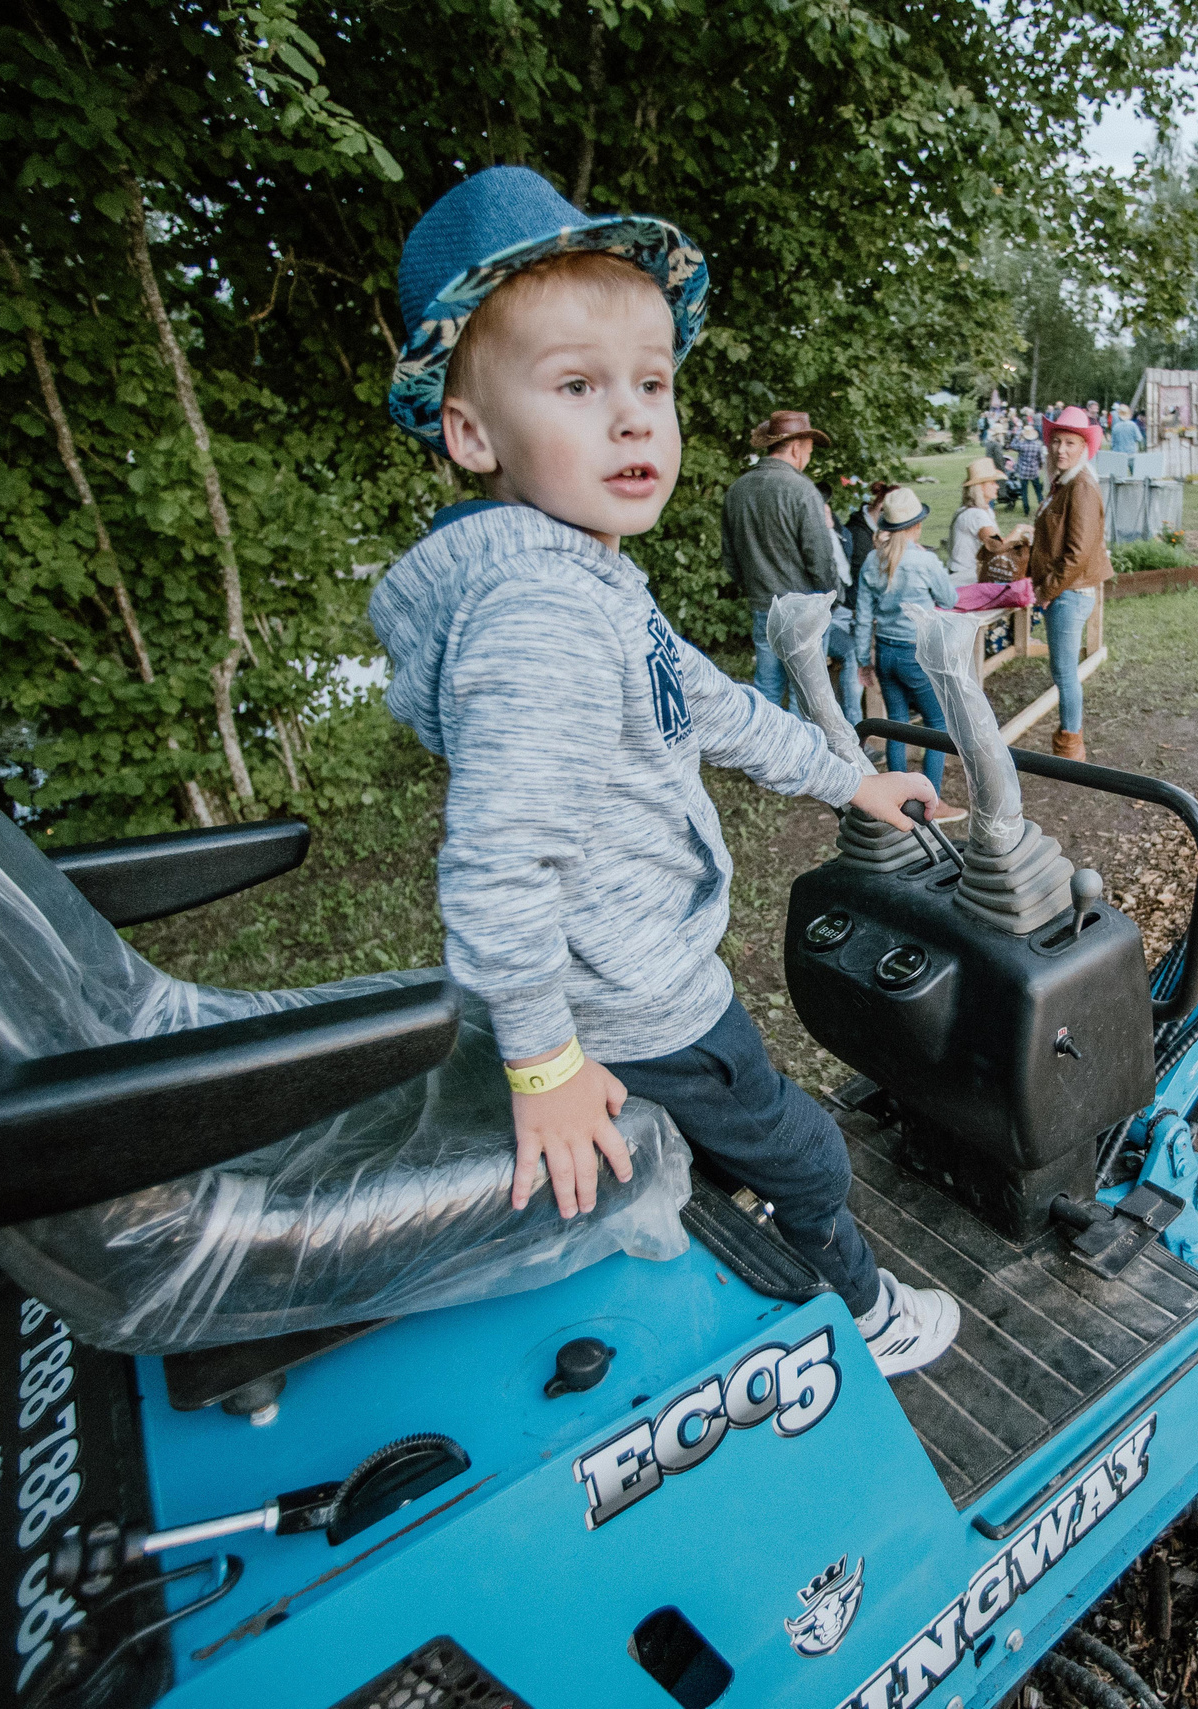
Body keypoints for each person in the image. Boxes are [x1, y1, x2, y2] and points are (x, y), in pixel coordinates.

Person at [370, 166, 957, 1375]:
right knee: (807, 1152)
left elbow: (711, 704)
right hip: (632, 1002)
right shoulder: (541, 612)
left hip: (610, 987)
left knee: (739, 1143)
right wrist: (543, 1062)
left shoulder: (583, 580)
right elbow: (498, 862)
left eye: (651, 383)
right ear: (472, 431)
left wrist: (847, 779)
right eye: (578, 386)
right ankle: (870, 1318)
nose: (634, 418)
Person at [724, 409, 861, 724]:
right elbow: (820, 559)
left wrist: (757, 588)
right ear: (797, 447)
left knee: (767, 688)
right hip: (805, 610)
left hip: (763, 607)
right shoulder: (802, 490)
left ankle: (765, 764)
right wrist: (832, 598)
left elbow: (731, 561)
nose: (808, 458)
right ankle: (802, 768)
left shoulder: (737, 490)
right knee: (806, 694)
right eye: (809, 451)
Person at [852, 486, 959, 798]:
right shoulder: (925, 562)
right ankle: (932, 799)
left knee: (896, 722)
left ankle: (897, 795)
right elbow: (949, 599)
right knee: (936, 723)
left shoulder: (872, 561)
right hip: (917, 652)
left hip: (884, 652)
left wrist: (863, 660)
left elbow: (862, 616)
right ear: (917, 525)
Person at [1024, 406, 1110, 761]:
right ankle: (1069, 739)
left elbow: (1077, 554)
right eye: (1056, 441)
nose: (1060, 449)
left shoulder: (1082, 487)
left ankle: (1071, 746)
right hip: (1062, 592)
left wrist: (1045, 592)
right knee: (1062, 670)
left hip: (1068, 594)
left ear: (1084, 448)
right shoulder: (1064, 483)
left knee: (1064, 672)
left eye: (1070, 443)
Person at [1007, 419, 1046, 514]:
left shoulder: (1022, 445)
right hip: (1034, 471)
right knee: (1038, 491)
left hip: (1023, 471)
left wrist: (1017, 436)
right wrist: (1040, 466)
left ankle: (1026, 510)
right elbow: (1041, 459)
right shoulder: (1037, 446)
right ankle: (1042, 507)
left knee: (1024, 492)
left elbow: (1012, 445)